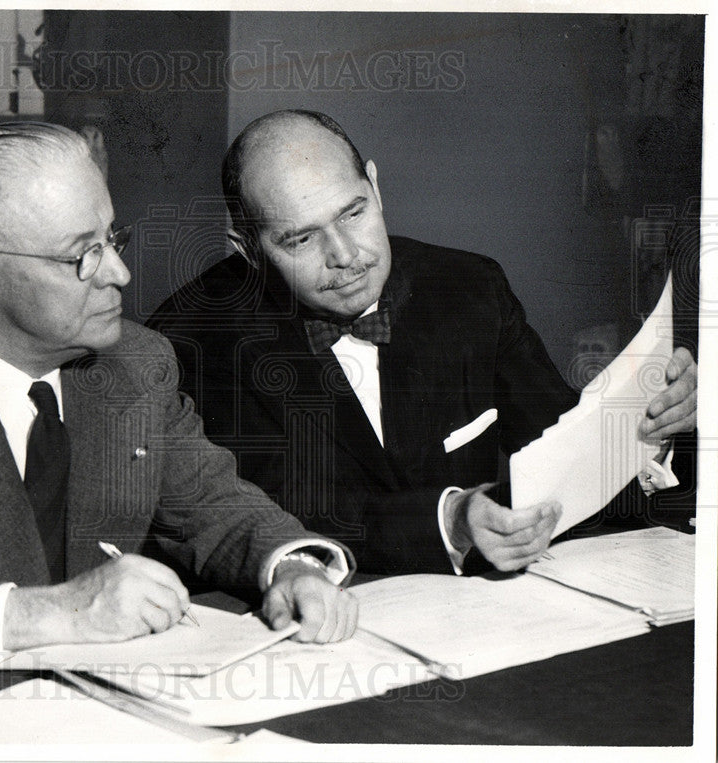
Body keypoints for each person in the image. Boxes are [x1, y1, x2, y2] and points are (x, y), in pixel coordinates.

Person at [0, 122, 358, 675]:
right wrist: (53, 613)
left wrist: (291, 565)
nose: (120, 274)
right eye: (82, 255)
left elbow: (213, 503)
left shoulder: (135, 363)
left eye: (111, 238)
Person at [148, 109, 697, 576]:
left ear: (375, 186)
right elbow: (267, 516)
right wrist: (450, 521)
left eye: (353, 212)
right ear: (247, 245)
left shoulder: (470, 287)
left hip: (479, 624)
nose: (345, 255)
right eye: (301, 237)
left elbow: (563, 444)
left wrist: (649, 429)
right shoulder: (189, 340)